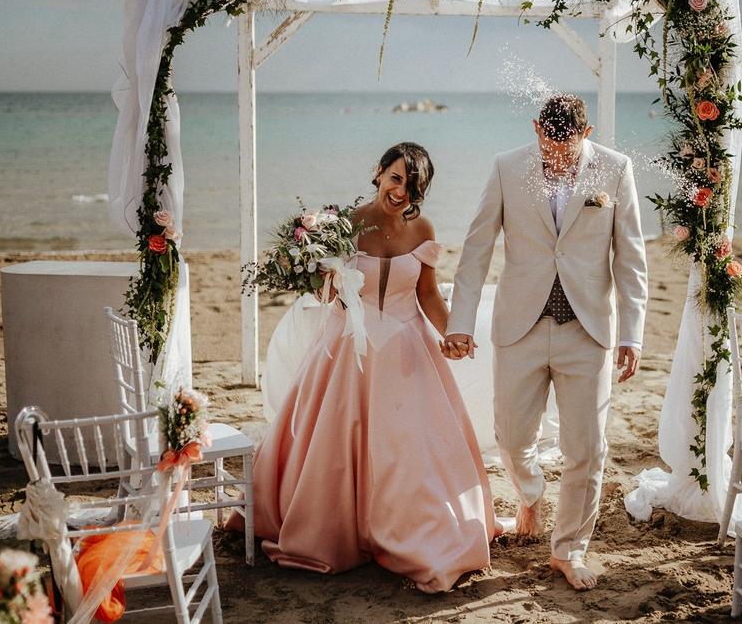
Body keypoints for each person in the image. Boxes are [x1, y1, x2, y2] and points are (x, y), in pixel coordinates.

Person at [240, 142, 496, 592]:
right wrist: (311, 273)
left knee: (408, 450)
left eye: (413, 184)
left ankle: (407, 530)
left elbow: (428, 295)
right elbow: (325, 295)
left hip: (406, 351)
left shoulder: (423, 230)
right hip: (345, 349)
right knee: (333, 445)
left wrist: (453, 334)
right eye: (396, 178)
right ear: (379, 173)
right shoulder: (343, 226)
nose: (402, 191)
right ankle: (335, 529)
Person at [444, 94, 648, 590]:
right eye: (548, 145)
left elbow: (631, 256)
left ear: (588, 133)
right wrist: (461, 321)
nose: (557, 158)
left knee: (588, 449)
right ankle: (530, 493)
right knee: (511, 437)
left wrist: (631, 334)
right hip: (521, 327)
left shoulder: (615, 171)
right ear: (537, 128)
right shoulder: (506, 168)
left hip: (589, 331)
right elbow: (477, 248)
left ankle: (569, 550)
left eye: (568, 148)